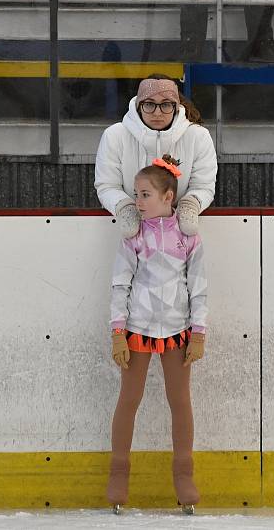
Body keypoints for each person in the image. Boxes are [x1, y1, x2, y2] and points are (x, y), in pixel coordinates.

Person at [106, 155, 207, 514]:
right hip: (137, 331)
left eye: (144, 194)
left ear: (168, 197)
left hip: (178, 332)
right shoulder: (134, 238)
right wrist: (118, 331)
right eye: (135, 193)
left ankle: (184, 477)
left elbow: (198, 287)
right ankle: (118, 475)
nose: (137, 201)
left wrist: (199, 332)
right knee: (128, 400)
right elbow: (120, 284)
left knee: (179, 402)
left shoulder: (187, 238)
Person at [94, 75, 217, 238]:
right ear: (139, 106)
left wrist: (190, 205)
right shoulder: (114, 136)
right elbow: (107, 185)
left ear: (176, 107)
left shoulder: (198, 136)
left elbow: (203, 185)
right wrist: (125, 208)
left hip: (179, 237)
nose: (157, 112)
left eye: (165, 105)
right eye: (149, 104)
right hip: (130, 238)